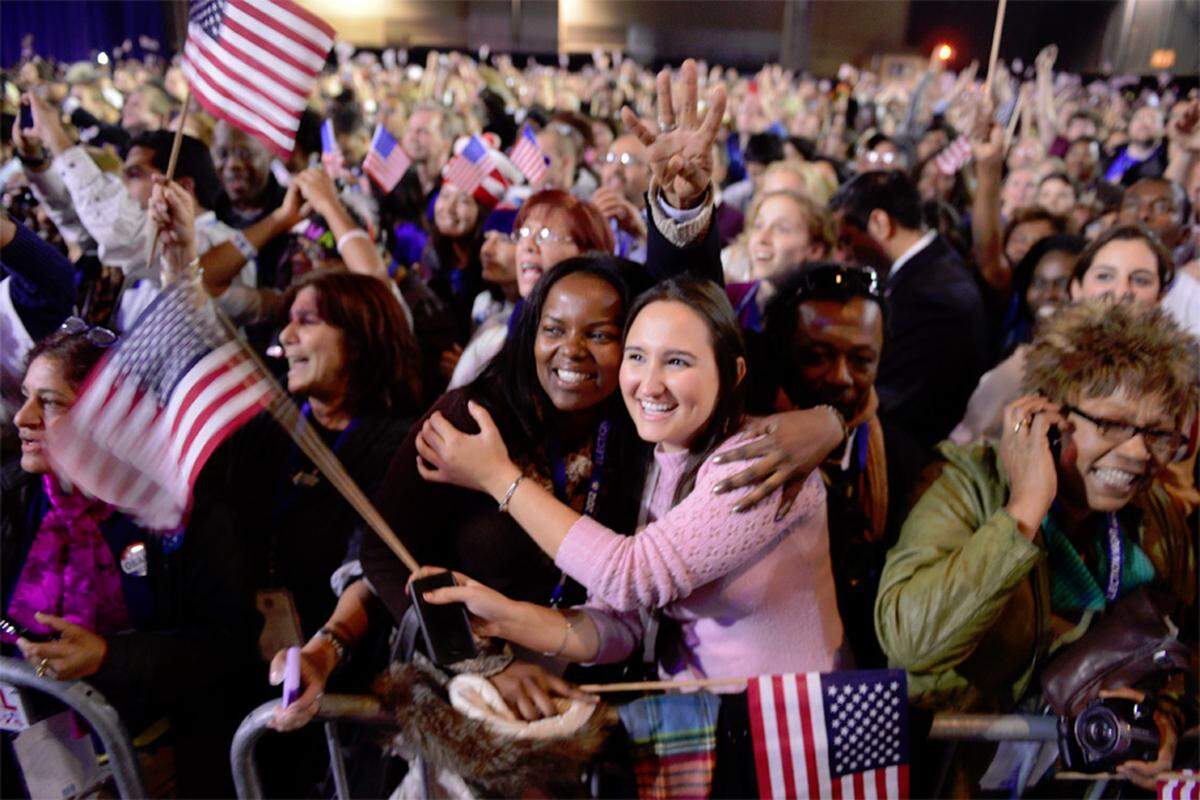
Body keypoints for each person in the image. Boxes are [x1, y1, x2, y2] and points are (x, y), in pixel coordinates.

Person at [413, 276, 850, 683]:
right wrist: (502, 616)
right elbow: (622, 623)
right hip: (700, 731)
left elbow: (631, 575)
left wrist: (497, 476)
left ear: (733, 373)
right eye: (637, 357)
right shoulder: (656, 456)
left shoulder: (757, 460)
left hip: (792, 737)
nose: (649, 384)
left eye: (677, 361)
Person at [876, 299, 1196, 794]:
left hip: (1075, 778)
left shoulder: (1158, 515)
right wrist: (1023, 510)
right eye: (1111, 424)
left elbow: (1185, 644)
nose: (1136, 453)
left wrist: (1167, 718)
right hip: (952, 772)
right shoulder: (967, 484)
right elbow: (912, 644)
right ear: (1045, 413)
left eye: (1157, 433)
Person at [4, 325, 251, 798]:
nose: (24, 417)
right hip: (25, 759)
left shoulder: (189, 516)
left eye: (51, 402)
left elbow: (227, 649)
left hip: (156, 762)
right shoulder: (11, 499)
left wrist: (108, 656)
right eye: (26, 396)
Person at [762, 262, 930, 667]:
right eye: (817, 356)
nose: (841, 377)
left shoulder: (904, 459)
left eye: (861, 360)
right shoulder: (747, 447)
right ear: (783, 350)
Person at [952, 224, 1174, 445]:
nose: (1121, 291)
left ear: (1161, 296)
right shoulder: (1028, 368)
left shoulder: (1177, 379)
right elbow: (968, 454)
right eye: (1105, 276)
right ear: (1076, 289)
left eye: (1141, 280)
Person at [830, 169, 988, 448]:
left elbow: (894, 398)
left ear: (879, 223)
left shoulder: (929, 298)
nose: (843, 255)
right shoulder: (934, 266)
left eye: (846, 239)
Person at [1105, 105, 1169, 186]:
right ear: (1130, 124)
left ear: (1164, 130)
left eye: (1153, 120)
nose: (1145, 123)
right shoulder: (1112, 152)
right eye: (1139, 118)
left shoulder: (1162, 168)